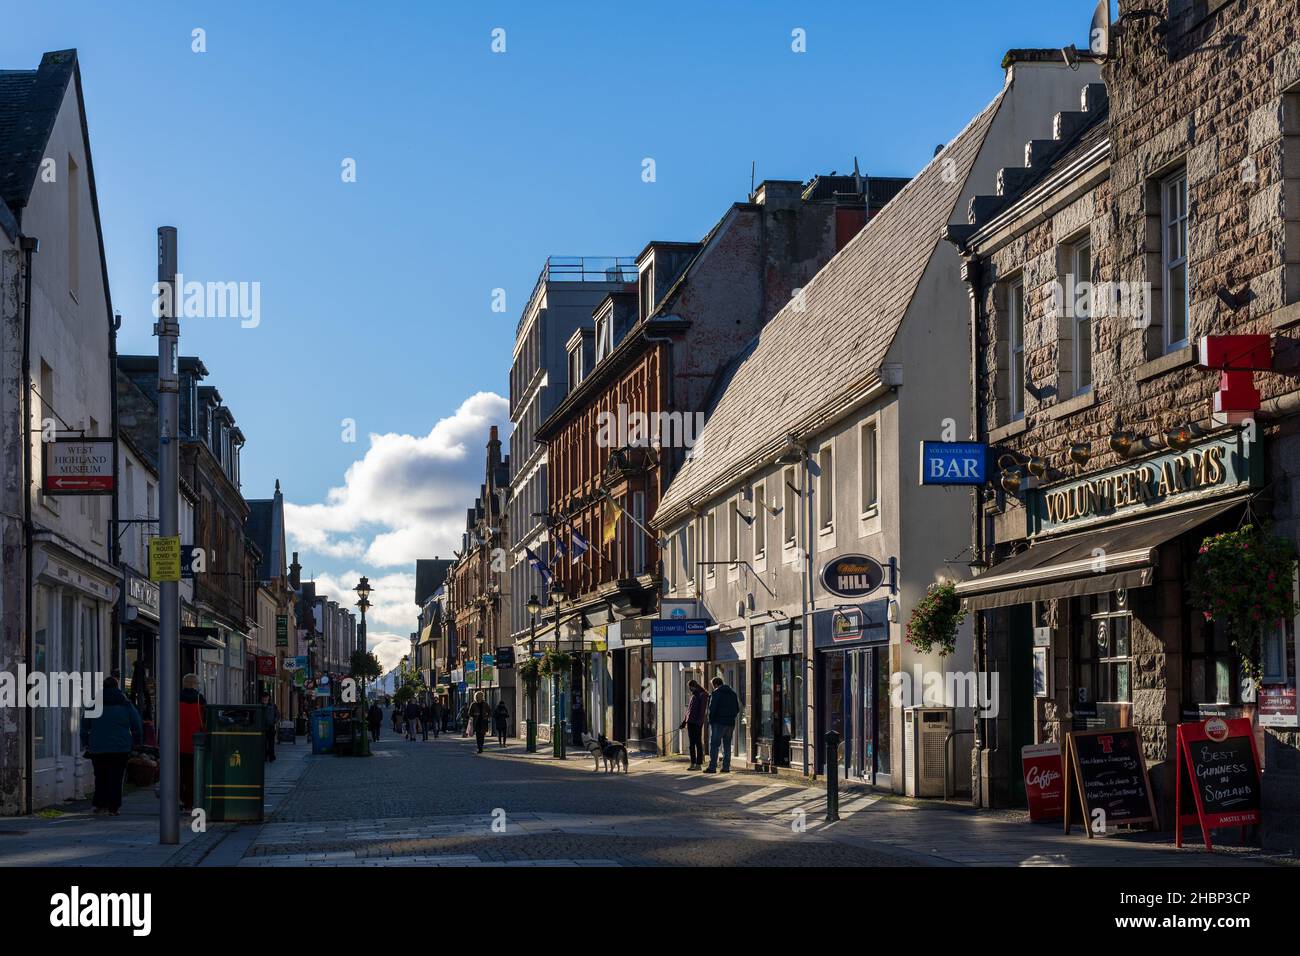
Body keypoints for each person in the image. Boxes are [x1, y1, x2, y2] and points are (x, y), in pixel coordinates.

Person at [82, 676, 142, 816]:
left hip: (98, 746)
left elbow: (85, 725)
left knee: (100, 776)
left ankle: (99, 804)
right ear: (117, 686)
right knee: (116, 777)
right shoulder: (125, 704)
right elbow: (136, 724)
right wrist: (137, 741)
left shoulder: (94, 704)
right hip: (120, 747)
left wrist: (86, 742)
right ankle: (113, 807)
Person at [178, 674, 207, 811]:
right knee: (193, 774)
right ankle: (190, 801)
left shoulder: (175, 698)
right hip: (195, 743)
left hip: (177, 743)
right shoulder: (199, 700)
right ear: (195, 684)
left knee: (179, 773)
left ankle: (180, 799)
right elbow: (205, 721)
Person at [703, 675, 741, 774]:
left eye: (712, 686)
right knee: (727, 745)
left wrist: (710, 721)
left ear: (715, 684)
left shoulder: (716, 693)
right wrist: (731, 717)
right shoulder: (732, 693)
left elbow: (712, 709)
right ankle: (726, 767)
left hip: (718, 723)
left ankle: (712, 767)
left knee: (715, 745)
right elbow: (737, 709)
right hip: (730, 723)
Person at [679, 679, 709, 770]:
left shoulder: (702, 695)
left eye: (690, 687)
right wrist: (684, 722)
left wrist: (699, 724)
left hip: (697, 723)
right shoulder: (693, 696)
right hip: (690, 722)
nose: (690, 689)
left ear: (694, 686)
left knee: (698, 743)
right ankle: (692, 763)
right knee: (691, 744)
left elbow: (702, 711)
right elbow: (689, 710)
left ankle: (698, 764)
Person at [261, 692, 278, 762]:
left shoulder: (273, 705)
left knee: (271, 743)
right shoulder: (259, 706)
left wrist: (275, 720)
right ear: (262, 698)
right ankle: (264, 756)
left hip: (271, 726)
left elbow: (277, 714)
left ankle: (271, 756)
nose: (265, 699)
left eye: (266, 697)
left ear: (268, 698)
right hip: (262, 727)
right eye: (264, 697)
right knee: (263, 743)